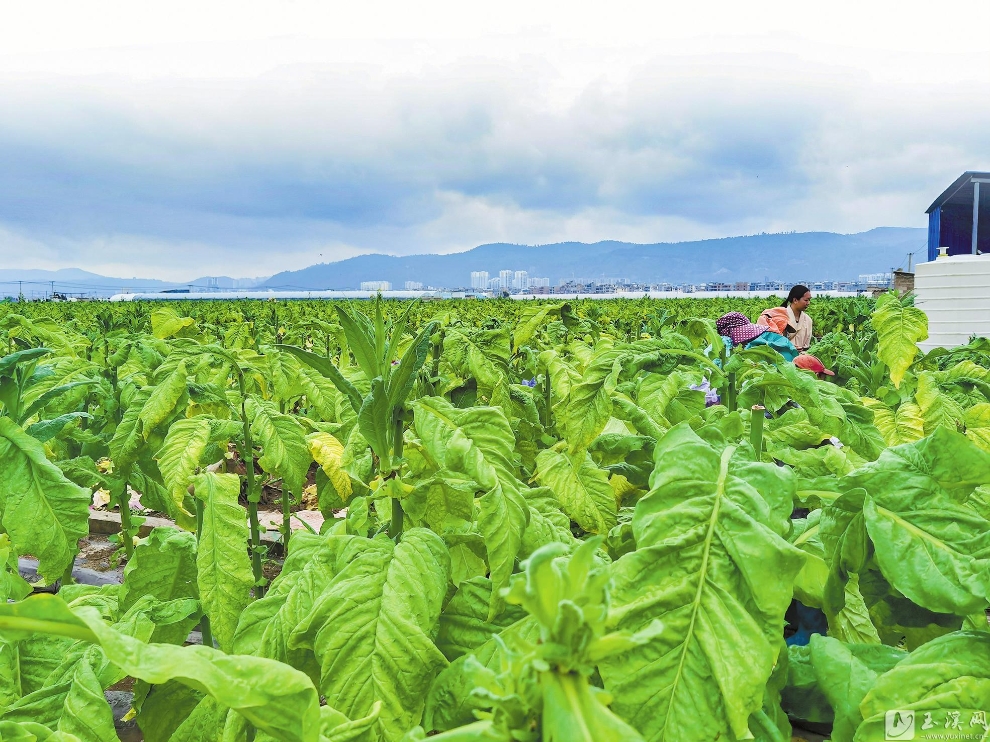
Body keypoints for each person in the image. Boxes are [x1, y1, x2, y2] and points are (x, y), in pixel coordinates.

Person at [781, 285, 813, 352]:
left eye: (809, 300)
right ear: (795, 300)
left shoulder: (808, 320)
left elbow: (806, 346)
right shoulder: (781, 316)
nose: (808, 303)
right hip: (783, 358)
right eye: (806, 300)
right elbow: (775, 342)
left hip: (801, 359)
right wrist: (789, 348)